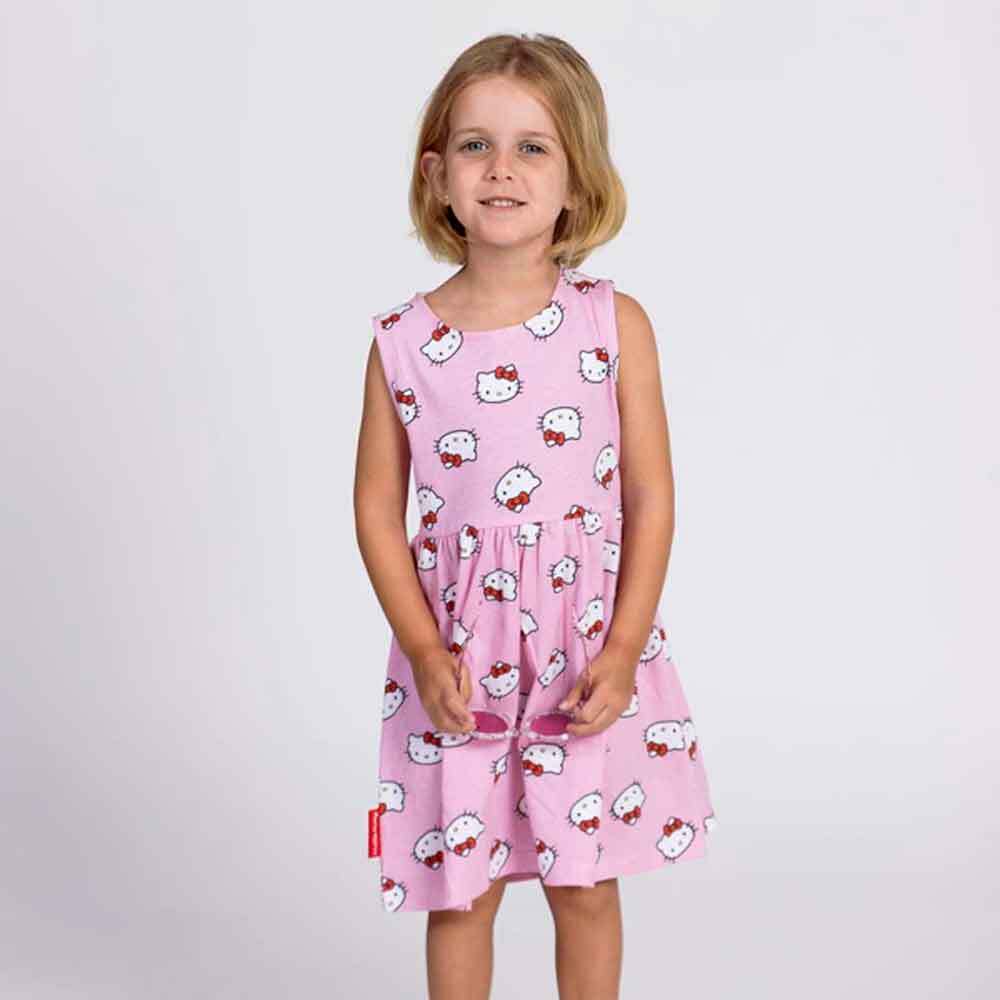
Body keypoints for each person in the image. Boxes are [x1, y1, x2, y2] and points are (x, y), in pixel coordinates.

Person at [355, 32, 719, 1000]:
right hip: (459, 654)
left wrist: (625, 645)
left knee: (584, 882)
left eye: (531, 147)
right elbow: (376, 511)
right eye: (475, 145)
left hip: (584, 646)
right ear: (435, 173)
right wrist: (423, 650)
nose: (501, 169)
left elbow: (649, 495)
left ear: (575, 177)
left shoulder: (612, 323)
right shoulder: (403, 342)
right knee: (461, 891)